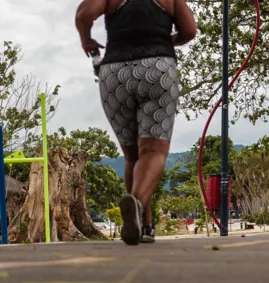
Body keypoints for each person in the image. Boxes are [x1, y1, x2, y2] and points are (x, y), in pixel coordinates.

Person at [75, 0, 197, 245]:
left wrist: (86, 39)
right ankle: (138, 202)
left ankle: (145, 227)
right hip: (158, 69)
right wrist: (168, 39)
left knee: (132, 157)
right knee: (152, 151)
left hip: (115, 74)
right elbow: (189, 31)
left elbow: (85, 13)